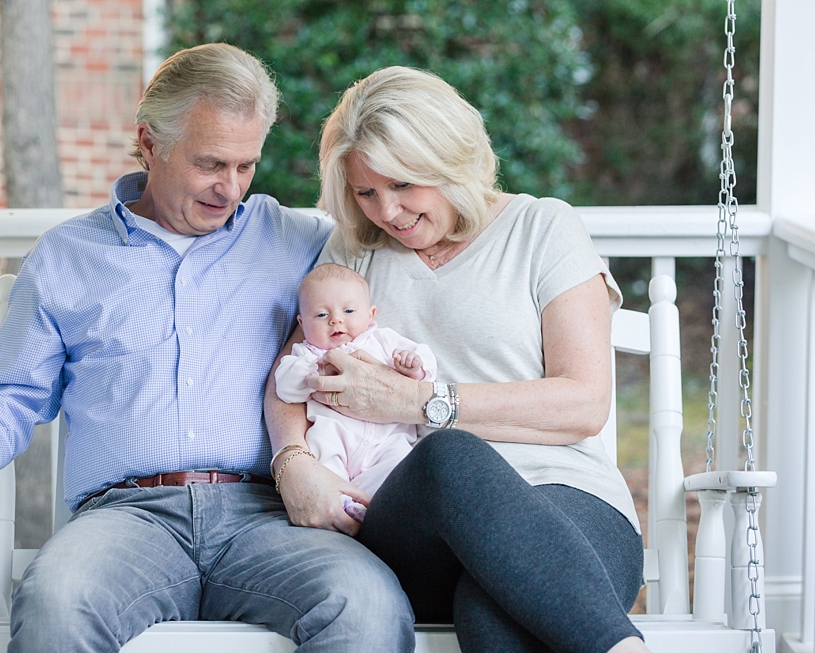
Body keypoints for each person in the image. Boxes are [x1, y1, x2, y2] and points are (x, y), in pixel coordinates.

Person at [0, 44, 414, 653]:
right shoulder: (67, 257)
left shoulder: (299, 241)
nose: (230, 188)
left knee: (367, 602)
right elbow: (12, 392)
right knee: (55, 602)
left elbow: (410, 243)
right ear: (149, 142)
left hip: (270, 514)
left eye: (247, 166)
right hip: (127, 520)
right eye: (210, 163)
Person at [266, 66, 652, 653]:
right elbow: (291, 370)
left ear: (448, 161)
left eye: (402, 185)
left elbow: (584, 402)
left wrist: (421, 402)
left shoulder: (543, 228)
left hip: (567, 494)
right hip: (416, 516)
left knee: (493, 607)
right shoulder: (354, 251)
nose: (387, 212)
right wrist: (292, 461)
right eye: (366, 193)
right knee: (448, 455)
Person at [275, 263, 436, 512]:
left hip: (388, 440)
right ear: (302, 322)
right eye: (320, 315)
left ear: (371, 315)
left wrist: (414, 367)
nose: (336, 320)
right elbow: (284, 387)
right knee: (324, 463)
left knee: (400, 467)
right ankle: (342, 503)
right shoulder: (306, 353)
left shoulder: (382, 340)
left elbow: (425, 368)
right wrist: (310, 370)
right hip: (335, 435)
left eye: (349, 310)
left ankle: (365, 505)